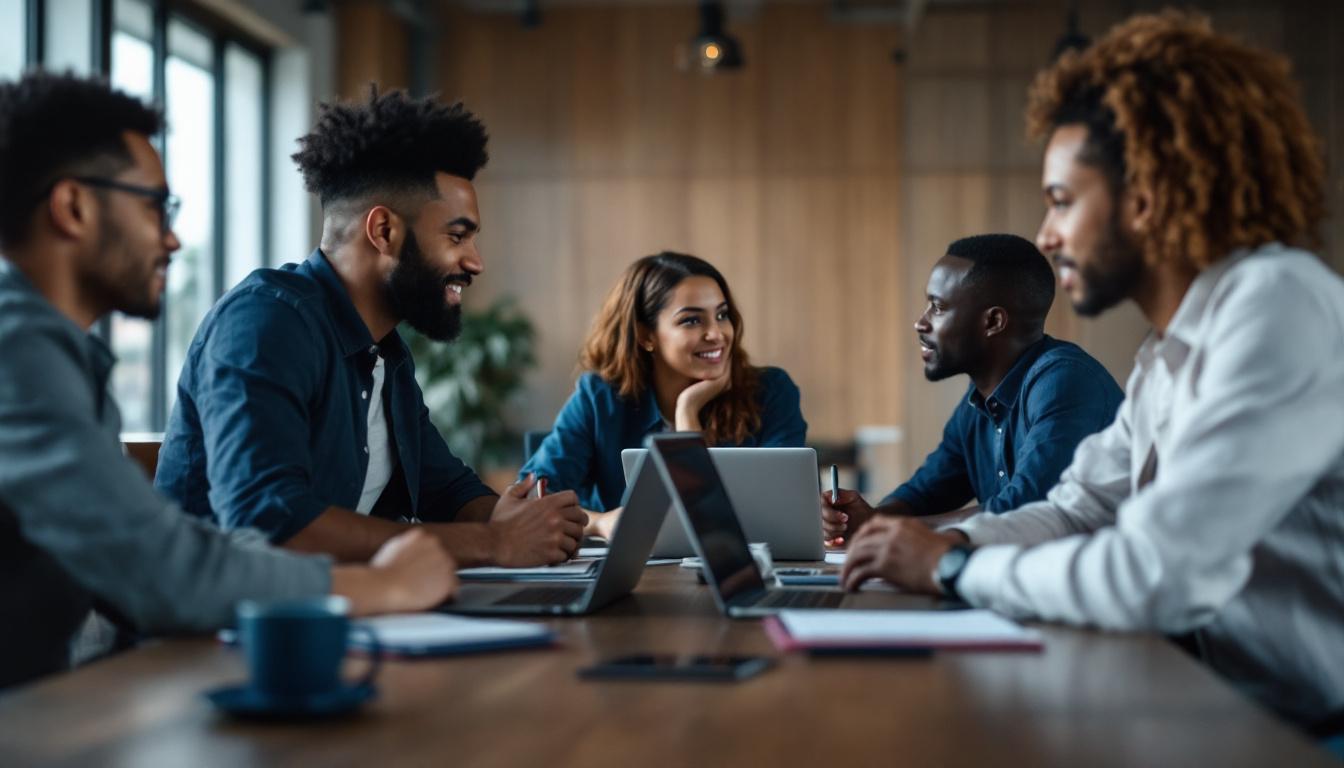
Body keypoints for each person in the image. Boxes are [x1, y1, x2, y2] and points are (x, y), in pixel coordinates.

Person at [840, 11, 1344, 731]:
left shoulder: (1277, 304)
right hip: (1204, 704)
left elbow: (1156, 572)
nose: (1047, 236)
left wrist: (951, 568)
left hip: (1297, 732)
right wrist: (938, 547)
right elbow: (1079, 510)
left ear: (1145, 198)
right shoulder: (1170, 350)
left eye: (1062, 202)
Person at [0, 72, 457, 688]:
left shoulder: (58, 356)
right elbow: (163, 571)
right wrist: (382, 584)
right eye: (154, 206)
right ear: (74, 207)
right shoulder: (17, 352)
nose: (171, 237)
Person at [153, 88, 585, 568]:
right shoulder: (266, 323)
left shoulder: (386, 354)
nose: (475, 262)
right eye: (457, 236)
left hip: (337, 614)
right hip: (217, 633)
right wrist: (494, 544)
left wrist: (517, 521)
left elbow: (447, 489)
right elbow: (267, 520)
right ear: (383, 231)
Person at [822, 234, 1122, 545]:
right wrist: (860, 518)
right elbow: (923, 494)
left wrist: (883, 527)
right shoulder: (976, 405)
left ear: (993, 321)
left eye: (937, 307)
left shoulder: (1064, 382)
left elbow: (1023, 512)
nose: (920, 323)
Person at [522, 252, 807, 539]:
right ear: (647, 335)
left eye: (721, 315)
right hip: (636, 574)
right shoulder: (600, 397)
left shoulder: (771, 392)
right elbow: (532, 497)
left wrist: (687, 412)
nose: (716, 333)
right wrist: (599, 523)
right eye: (692, 321)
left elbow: (783, 507)